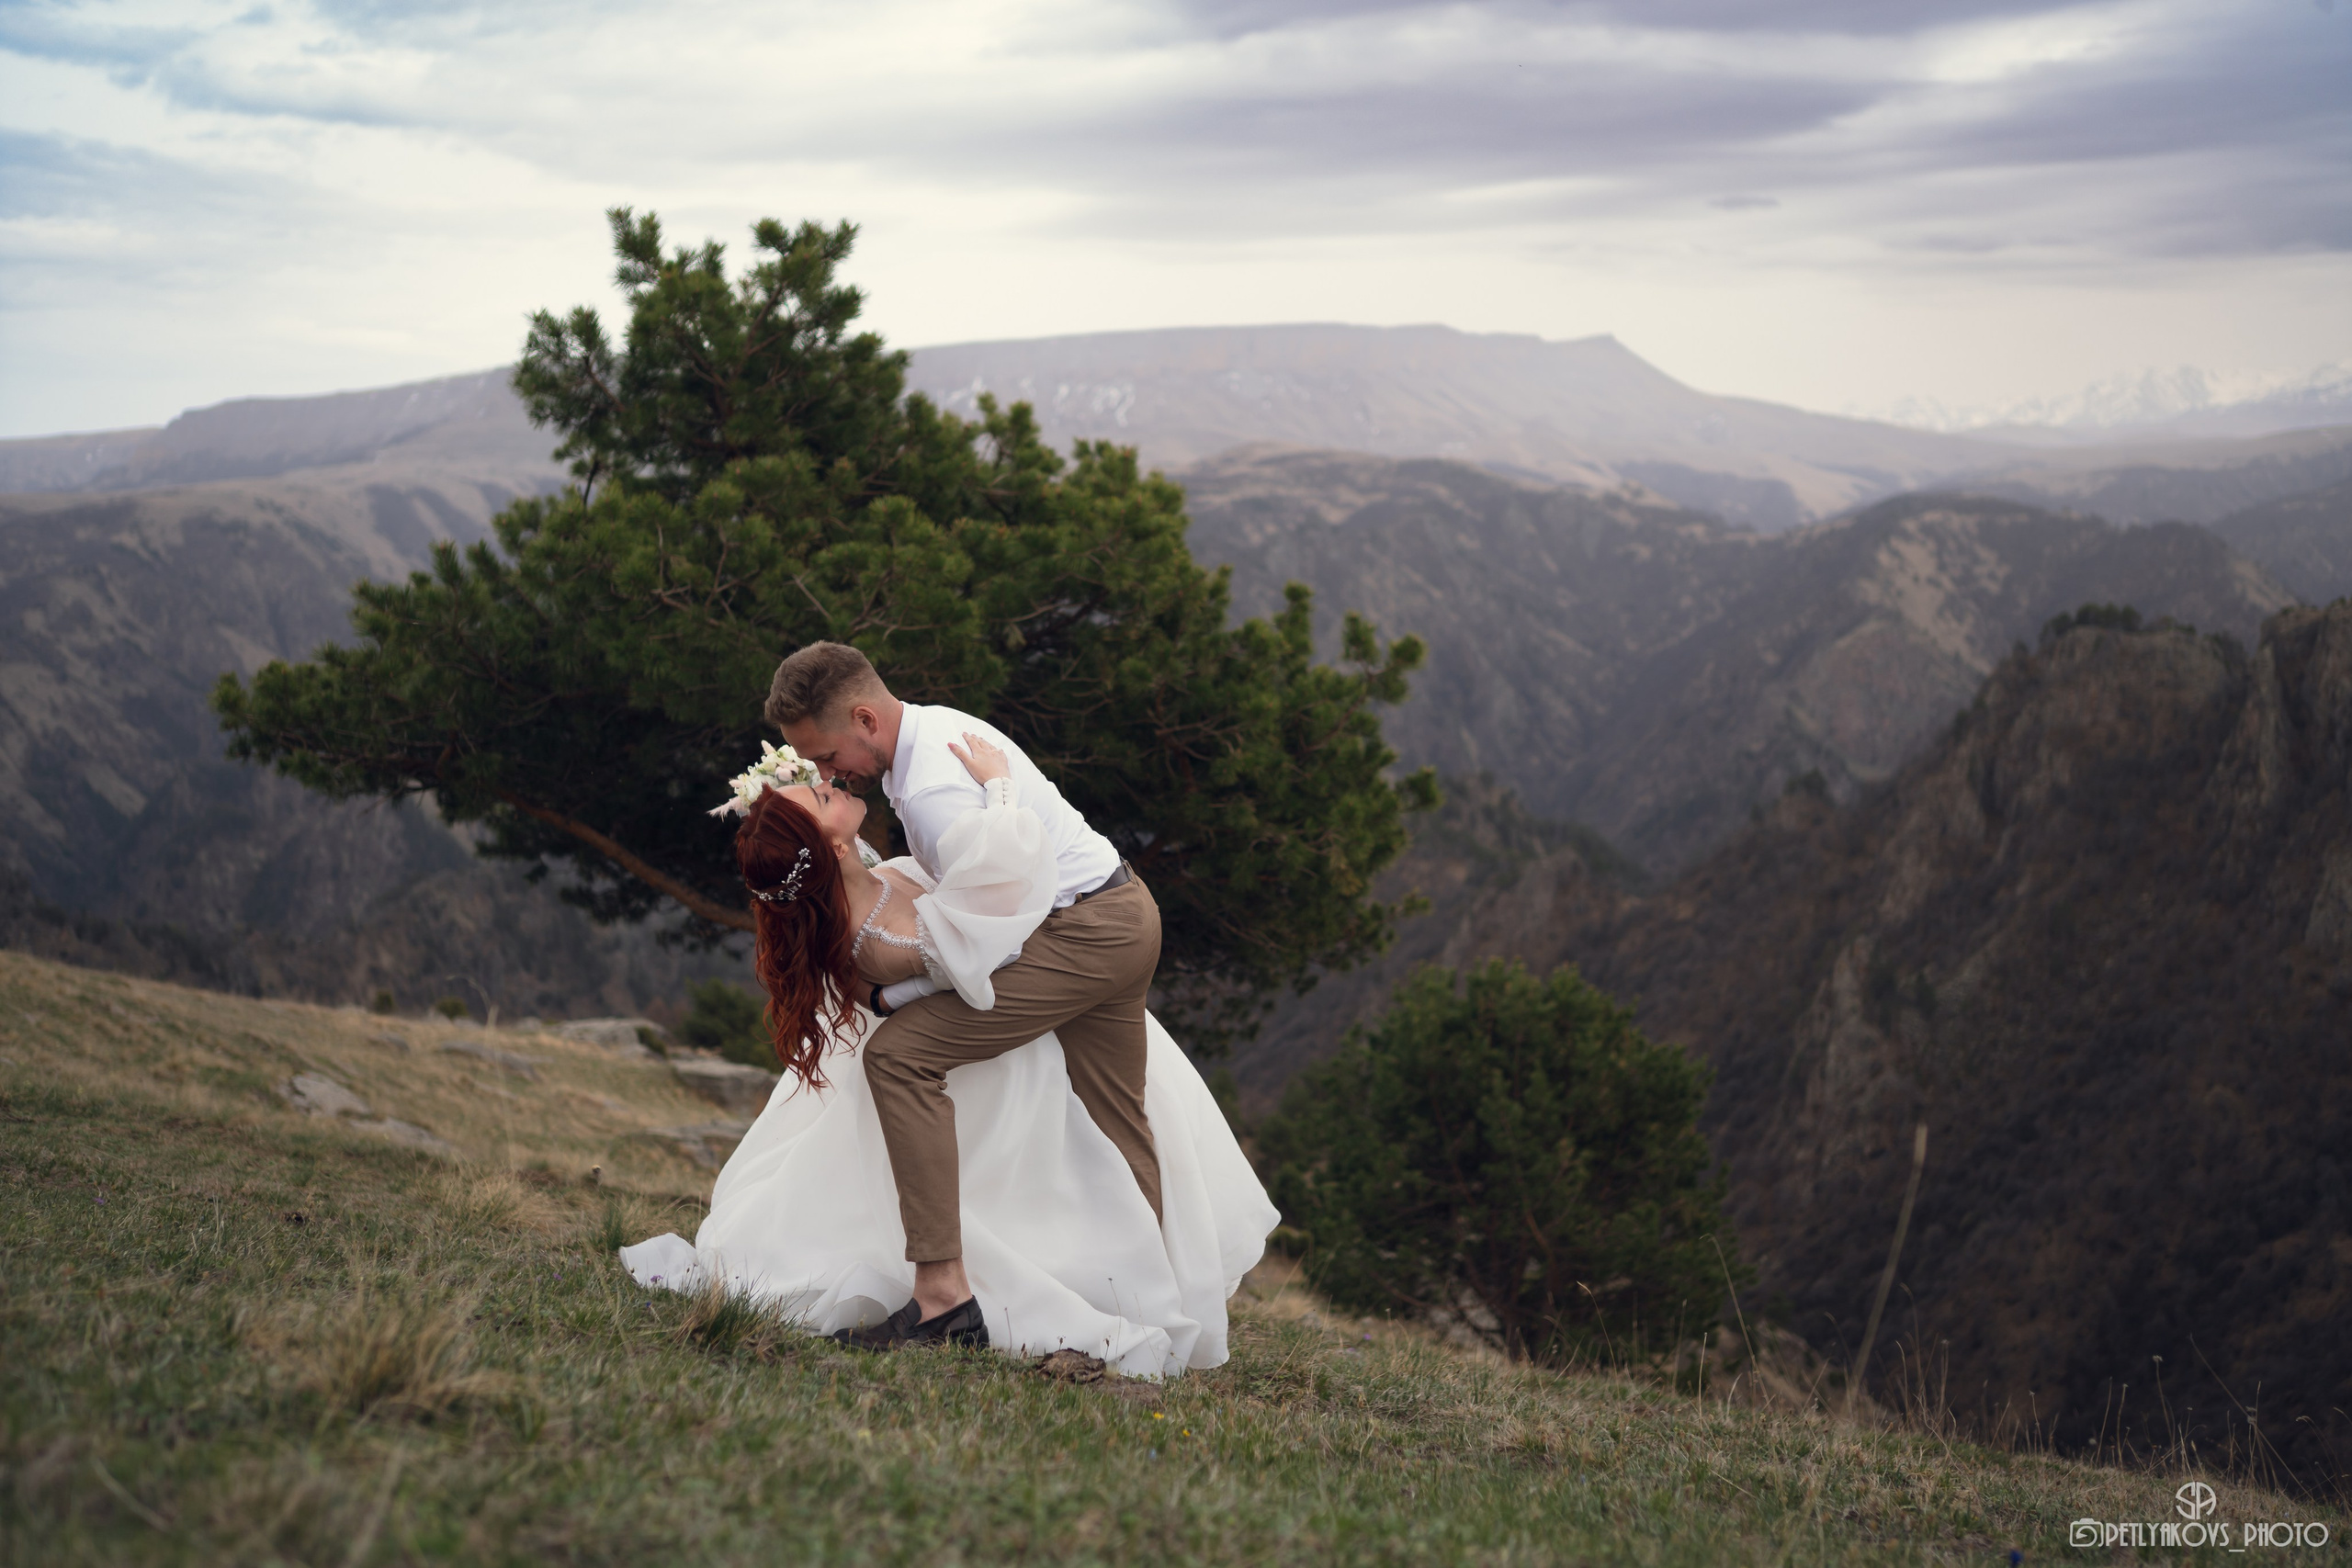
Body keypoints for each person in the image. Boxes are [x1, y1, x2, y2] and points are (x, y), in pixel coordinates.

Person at [618, 652, 1277, 1374]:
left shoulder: (931, 785)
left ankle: (943, 1298)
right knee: (1115, 1113)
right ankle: (1161, 1299)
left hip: (1083, 932)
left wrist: (885, 983)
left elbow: (985, 921)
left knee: (900, 1058)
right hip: (1121, 910)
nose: (828, 773)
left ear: (865, 718)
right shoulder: (924, 739)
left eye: (827, 755)